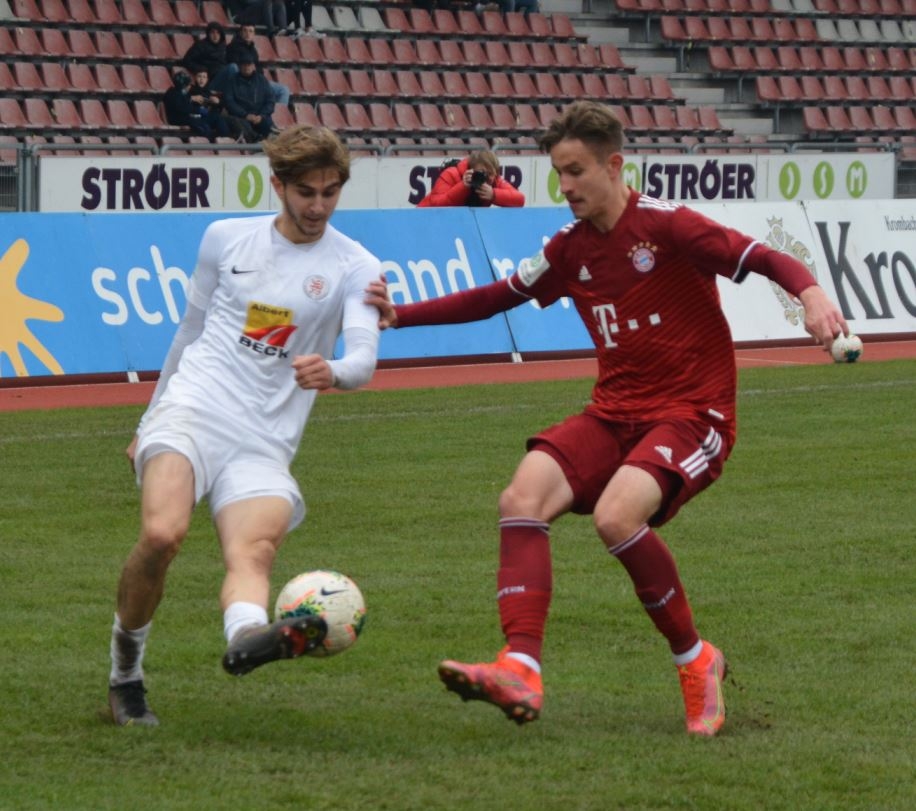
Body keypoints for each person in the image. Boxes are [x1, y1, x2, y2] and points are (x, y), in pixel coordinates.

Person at [366, 100, 849, 736]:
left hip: (693, 415)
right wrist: (402, 315)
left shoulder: (668, 226)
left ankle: (696, 660)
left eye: (576, 172)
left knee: (617, 517)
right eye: (558, 174)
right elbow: (498, 297)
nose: (565, 187)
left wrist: (812, 296)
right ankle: (520, 667)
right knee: (521, 497)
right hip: (615, 413)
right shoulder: (568, 249)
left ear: (614, 166)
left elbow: (761, 256)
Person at [107, 125, 383, 727]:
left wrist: (332, 370)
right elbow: (189, 330)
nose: (319, 206)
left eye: (330, 192)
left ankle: (248, 638)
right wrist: (149, 418)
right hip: (193, 410)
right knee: (162, 535)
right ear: (278, 185)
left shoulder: (356, 266)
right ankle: (125, 677)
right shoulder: (226, 238)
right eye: (306, 192)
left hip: (265, 441)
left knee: (252, 552)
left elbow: (363, 358)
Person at [418, 150, 525, 208]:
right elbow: (436, 204)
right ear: (471, 169)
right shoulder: (451, 174)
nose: (485, 177)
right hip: (425, 218)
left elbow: (520, 199)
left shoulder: (494, 181)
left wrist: (494, 195)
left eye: (490, 173)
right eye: (481, 172)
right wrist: (463, 186)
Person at [221, 23, 291, 108]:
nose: (248, 34)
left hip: (257, 80)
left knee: (283, 90)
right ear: (240, 33)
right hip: (244, 83)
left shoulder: (253, 49)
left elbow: (258, 68)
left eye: (250, 31)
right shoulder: (232, 47)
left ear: (254, 34)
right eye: (245, 31)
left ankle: (278, 115)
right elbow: (237, 69)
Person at [162, 69, 231, 141]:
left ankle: (224, 140)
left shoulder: (183, 93)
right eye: (188, 85)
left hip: (193, 117)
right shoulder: (172, 94)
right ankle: (209, 144)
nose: (189, 87)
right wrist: (198, 109)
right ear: (184, 86)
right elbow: (182, 107)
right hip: (182, 119)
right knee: (204, 127)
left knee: (217, 118)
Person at [222, 56, 276, 142]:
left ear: (253, 66)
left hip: (260, 117)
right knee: (239, 124)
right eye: (244, 65)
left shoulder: (262, 80)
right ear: (240, 66)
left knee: (270, 126)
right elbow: (229, 102)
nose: (247, 67)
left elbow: (270, 101)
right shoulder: (232, 81)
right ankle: (256, 141)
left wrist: (262, 115)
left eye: (249, 64)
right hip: (241, 117)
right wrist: (245, 115)